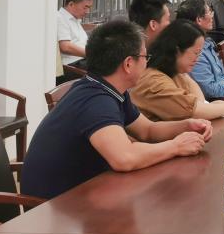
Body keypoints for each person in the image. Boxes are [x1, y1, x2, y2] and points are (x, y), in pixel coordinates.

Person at [21, 20, 210, 200]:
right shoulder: (96, 100)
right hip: (54, 206)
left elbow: (147, 130)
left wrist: (186, 125)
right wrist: (176, 146)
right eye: (145, 57)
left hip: (87, 190)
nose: (147, 63)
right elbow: (124, 158)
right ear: (128, 64)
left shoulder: (109, 89)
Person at [131, 21, 224, 122]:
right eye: (196, 53)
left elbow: (200, 104)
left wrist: (216, 106)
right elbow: (196, 112)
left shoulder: (176, 73)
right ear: (176, 51)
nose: (198, 59)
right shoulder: (154, 81)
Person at [174, 0, 224, 100]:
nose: (212, 16)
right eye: (209, 12)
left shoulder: (207, 43)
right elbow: (207, 89)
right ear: (199, 20)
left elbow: (221, 76)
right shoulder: (194, 52)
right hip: (216, 102)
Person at [57, 0, 94, 69]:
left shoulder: (75, 19)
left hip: (83, 61)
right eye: (85, 7)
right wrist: (92, 54)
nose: (87, 12)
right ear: (71, 4)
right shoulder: (60, 18)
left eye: (89, 8)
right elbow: (65, 47)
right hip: (73, 65)